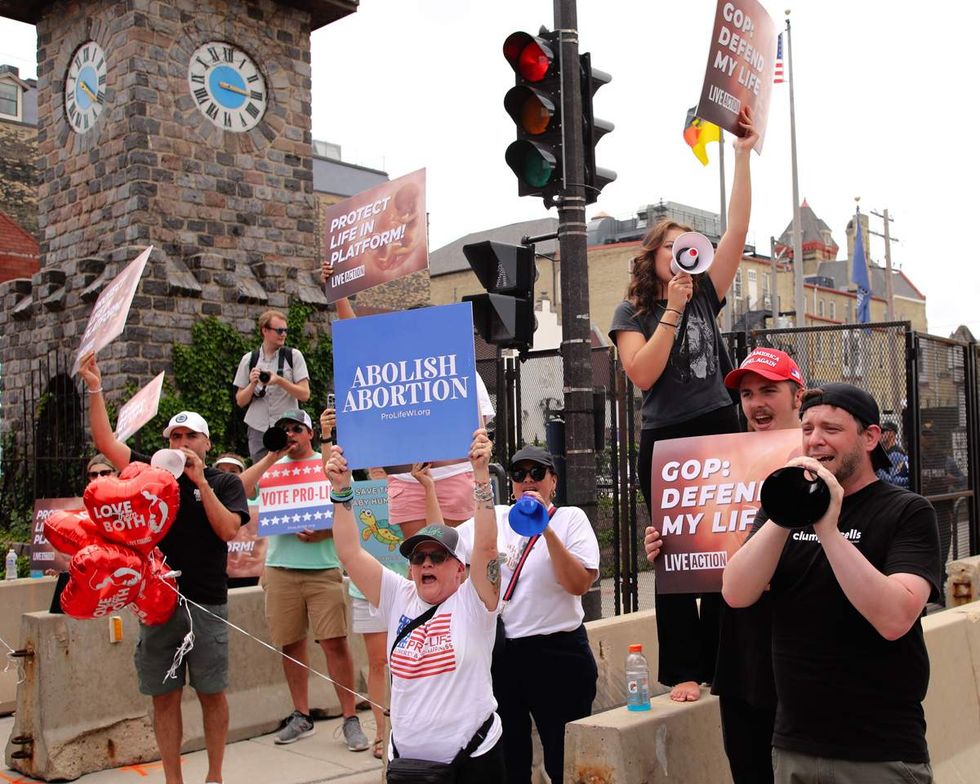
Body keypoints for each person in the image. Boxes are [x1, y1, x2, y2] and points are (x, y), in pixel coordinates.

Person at [610, 106, 758, 702]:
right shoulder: (633, 312)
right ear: (652, 256)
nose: (682, 253)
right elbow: (643, 373)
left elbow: (739, 232)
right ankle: (685, 672)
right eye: (670, 247)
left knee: (725, 542)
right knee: (673, 550)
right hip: (667, 436)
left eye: (686, 245)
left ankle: (727, 661)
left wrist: (743, 153)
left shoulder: (708, 293)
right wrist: (671, 308)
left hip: (718, 426)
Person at [723, 384, 941, 783]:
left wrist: (829, 531)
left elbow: (894, 618)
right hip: (794, 747)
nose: (815, 440)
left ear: (870, 437)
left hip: (879, 753)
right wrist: (786, 513)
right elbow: (736, 592)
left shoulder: (908, 511)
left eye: (831, 429)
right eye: (807, 429)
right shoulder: (787, 509)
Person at [78, 352, 248, 784]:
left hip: (207, 602)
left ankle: (214, 776)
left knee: (212, 692)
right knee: (164, 696)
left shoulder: (225, 482)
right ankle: (173, 779)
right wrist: (95, 386)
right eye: (175, 436)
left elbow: (228, 531)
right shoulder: (146, 475)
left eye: (192, 436)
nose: (183, 443)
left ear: (206, 444)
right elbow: (105, 442)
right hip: (157, 604)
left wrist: (200, 483)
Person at [646, 347, 803, 784]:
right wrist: (669, 545)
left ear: (797, 396)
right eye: (748, 393)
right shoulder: (723, 462)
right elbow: (705, 554)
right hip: (740, 666)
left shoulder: (822, 460)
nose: (755, 403)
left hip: (802, 662)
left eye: (768, 390)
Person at [325, 429, 505, 780]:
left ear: (459, 568)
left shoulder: (475, 601)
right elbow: (349, 551)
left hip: (473, 762)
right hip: (409, 768)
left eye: (437, 557)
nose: (426, 563)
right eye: (418, 556)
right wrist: (340, 488)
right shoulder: (397, 596)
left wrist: (481, 475)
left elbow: (486, 547)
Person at [458, 444, 599, 784]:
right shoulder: (499, 518)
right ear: (511, 484)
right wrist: (430, 487)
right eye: (520, 474)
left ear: (553, 481)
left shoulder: (569, 519)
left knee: (562, 757)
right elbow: (448, 544)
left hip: (558, 652)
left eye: (538, 473)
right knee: (511, 760)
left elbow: (578, 583)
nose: (528, 481)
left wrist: (545, 529)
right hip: (506, 655)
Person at [239, 408, 370, 751]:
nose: (290, 434)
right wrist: (270, 455)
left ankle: (349, 718)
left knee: (335, 644)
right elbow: (240, 489)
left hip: (322, 569)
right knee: (291, 643)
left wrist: (324, 533)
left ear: (310, 433)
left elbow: (347, 508)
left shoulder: (327, 462)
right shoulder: (271, 466)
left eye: (296, 428)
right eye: (284, 429)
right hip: (281, 568)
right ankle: (301, 715)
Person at [234, 310, 311, 461]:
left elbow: (305, 394)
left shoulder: (293, 356)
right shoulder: (249, 359)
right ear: (265, 330)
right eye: (279, 330)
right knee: (261, 476)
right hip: (258, 427)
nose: (284, 334)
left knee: (289, 471)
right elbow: (240, 401)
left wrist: (279, 380)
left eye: (285, 330)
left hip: (287, 427)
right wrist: (252, 384)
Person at [48, 454, 121, 609]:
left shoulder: (126, 500)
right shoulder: (86, 506)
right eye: (94, 474)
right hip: (91, 571)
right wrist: (62, 566)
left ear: (116, 473)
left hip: (120, 570)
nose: (99, 477)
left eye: (105, 472)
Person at [876, 422, 909, 488]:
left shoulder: (895, 453)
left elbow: (893, 481)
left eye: (883, 432)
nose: (880, 434)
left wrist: (877, 470)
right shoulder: (885, 451)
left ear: (892, 434)